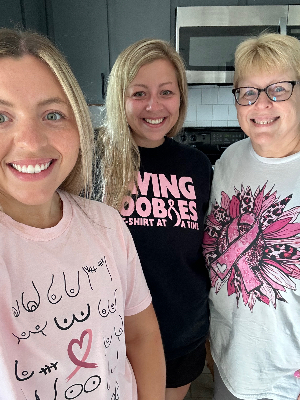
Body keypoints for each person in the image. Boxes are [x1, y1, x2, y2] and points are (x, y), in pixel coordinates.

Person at [0, 28, 166, 400]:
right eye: (1, 117)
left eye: (53, 114)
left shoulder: (105, 223)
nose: (31, 141)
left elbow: (141, 335)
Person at [97, 39, 212, 400]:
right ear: (120, 96)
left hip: (180, 336)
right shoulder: (91, 160)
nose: (153, 106)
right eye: (139, 93)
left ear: (180, 97)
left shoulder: (196, 166)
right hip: (108, 341)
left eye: (166, 91)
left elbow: (202, 254)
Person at [203, 32, 300, 400]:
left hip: (288, 381)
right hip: (232, 365)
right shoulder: (230, 160)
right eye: (248, 92)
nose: (261, 104)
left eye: (278, 89)